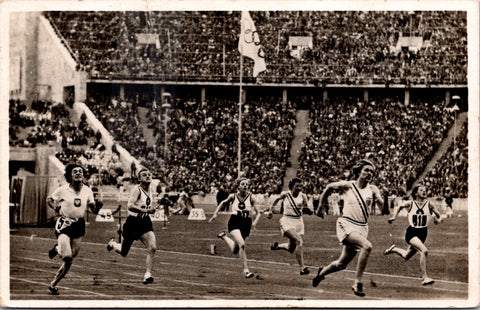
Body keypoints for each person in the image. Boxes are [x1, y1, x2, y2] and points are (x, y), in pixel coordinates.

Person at [311, 159, 384, 297]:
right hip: (346, 224)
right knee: (367, 247)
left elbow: (382, 206)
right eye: (366, 170)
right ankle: (357, 282)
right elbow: (329, 187)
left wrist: (382, 201)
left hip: (362, 228)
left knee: (341, 264)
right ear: (359, 171)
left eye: (372, 172)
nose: (369, 174)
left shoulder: (373, 189)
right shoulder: (348, 186)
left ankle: (321, 274)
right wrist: (321, 205)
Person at [46, 163, 103, 295]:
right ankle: (57, 248)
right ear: (70, 175)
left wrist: (98, 207)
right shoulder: (62, 189)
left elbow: (93, 209)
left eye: (80, 171)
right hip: (65, 223)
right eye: (75, 171)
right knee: (66, 256)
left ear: (83, 175)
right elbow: (49, 199)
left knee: (70, 260)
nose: (78, 173)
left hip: (79, 225)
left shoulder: (87, 190)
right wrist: (55, 207)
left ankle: (53, 284)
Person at [383, 184, 443, 286]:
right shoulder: (411, 203)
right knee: (424, 251)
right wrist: (393, 217)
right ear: (416, 193)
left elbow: (438, 216)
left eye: (425, 190)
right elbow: (399, 206)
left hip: (423, 233)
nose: (424, 191)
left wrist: (437, 220)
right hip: (412, 232)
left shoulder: (430, 204)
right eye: (421, 190)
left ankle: (393, 249)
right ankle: (425, 278)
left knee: (406, 256)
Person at [107, 168, 157, 284]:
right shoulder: (137, 190)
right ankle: (113, 244)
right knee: (124, 252)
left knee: (152, 247)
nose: (147, 176)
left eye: (149, 174)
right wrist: (147, 210)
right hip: (133, 223)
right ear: (139, 179)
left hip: (145, 222)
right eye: (144, 175)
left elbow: (145, 205)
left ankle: (148, 274)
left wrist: (150, 210)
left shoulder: (150, 189)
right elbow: (130, 205)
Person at [208, 177, 261, 278]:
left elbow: (259, 212)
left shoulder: (252, 197)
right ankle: (246, 271)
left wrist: (255, 223)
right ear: (238, 186)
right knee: (242, 244)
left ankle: (224, 236)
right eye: (242, 184)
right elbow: (223, 203)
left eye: (246, 184)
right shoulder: (233, 196)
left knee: (235, 249)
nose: (245, 186)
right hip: (235, 221)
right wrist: (215, 214)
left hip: (246, 223)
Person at [266, 177, 315, 276]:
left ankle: (277, 246)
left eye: (300, 186)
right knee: (299, 241)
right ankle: (302, 268)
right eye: (297, 186)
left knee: (291, 248)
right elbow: (275, 200)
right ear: (292, 186)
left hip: (298, 222)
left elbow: (308, 209)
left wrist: (310, 211)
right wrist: (270, 211)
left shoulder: (303, 196)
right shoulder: (286, 194)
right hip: (287, 221)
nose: (299, 188)